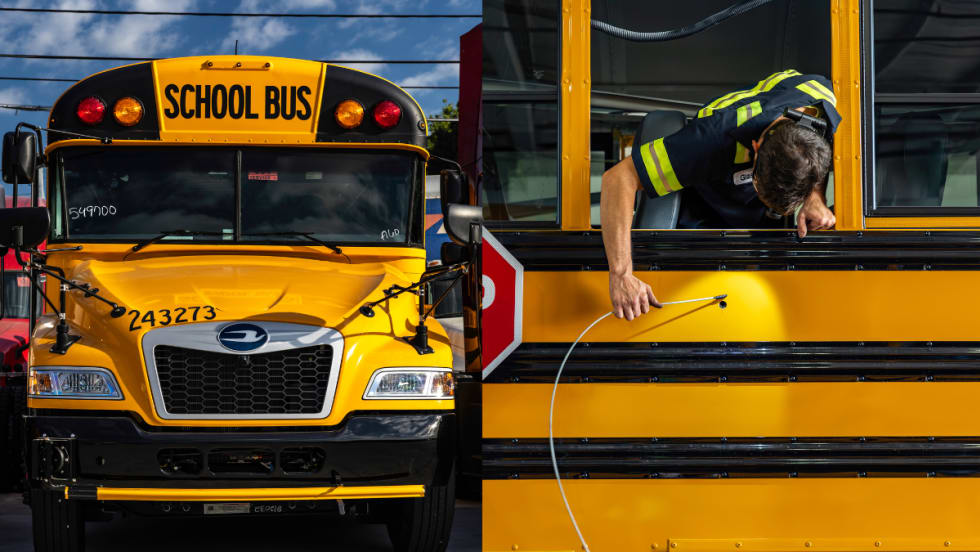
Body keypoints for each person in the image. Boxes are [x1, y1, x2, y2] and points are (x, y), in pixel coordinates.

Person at [600, 69, 841, 320]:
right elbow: (618, 179)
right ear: (756, 149)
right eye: (759, 187)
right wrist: (621, 275)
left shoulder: (825, 102)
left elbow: (822, 142)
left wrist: (814, 197)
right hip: (703, 203)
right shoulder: (710, 139)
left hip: (754, 219)